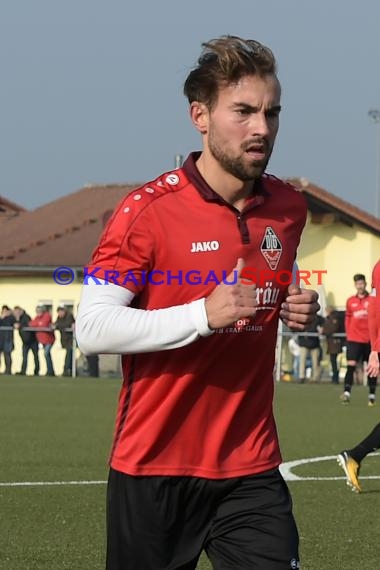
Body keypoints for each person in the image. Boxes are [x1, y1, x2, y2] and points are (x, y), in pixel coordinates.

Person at [76, 35, 320, 570]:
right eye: (244, 111)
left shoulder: (288, 208)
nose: (262, 128)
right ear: (200, 116)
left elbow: (275, 287)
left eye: (272, 112)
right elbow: (91, 328)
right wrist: (201, 316)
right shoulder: (145, 211)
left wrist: (299, 308)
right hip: (154, 468)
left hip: (251, 466)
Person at [338, 259, 380, 491]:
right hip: (368, 343)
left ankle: (354, 455)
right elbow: (376, 310)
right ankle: (354, 455)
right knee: (352, 368)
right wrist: (375, 349)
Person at [340, 273, 377, 406]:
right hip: (354, 340)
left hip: (369, 341)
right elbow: (347, 318)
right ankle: (346, 393)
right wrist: (349, 334)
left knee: (371, 368)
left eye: (361, 283)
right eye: (357, 284)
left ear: (365, 284)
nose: (360, 286)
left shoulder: (372, 300)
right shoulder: (350, 301)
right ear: (355, 285)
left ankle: (372, 395)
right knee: (351, 366)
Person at [13, 306, 40, 376]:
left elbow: (28, 324)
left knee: (35, 356)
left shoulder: (26, 316)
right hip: (25, 341)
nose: (16, 313)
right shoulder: (17, 318)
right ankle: (23, 371)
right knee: (24, 357)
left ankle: (36, 371)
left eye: (17, 311)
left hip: (32, 340)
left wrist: (20, 324)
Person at [29, 305, 56, 376]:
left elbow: (44, 324)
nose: (38, 312)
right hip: (42, 340)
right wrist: (38, 324)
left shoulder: (47, 315)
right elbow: (31, 324)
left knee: (46, 354)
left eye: (39, 310)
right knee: (47, 355)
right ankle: (51, 371)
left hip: (49, 340)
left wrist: (38, 324)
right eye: (37, 311)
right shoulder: (37, 318)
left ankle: (50, 371)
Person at [297, 315, 324, 383]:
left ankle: (315, 378)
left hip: (314, 343)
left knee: (315, 362)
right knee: (302, 361)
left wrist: (322, 328)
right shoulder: (301, 317)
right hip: (304, 342)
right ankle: (302, 377)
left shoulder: (318, 318)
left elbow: (324, 323)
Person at [321, 305, 343, 384]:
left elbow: (333, 329)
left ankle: (335, 378)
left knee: (334, 362)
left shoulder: (334, 318)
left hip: (335, 344)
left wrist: (323, 332)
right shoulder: (329, 318)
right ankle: (334, 378)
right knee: (333, 362)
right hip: (331, 344)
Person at [54, 305, 75, 376]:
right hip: (64, 339)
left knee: (69, 354)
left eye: (61, 311)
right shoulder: (59, 318)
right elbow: (56, 323)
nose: (60, 313)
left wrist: (57, 326)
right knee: (70, 355)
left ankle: (67, 370)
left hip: (71, 339)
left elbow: (67, 324)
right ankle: (71, 371)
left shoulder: (69, 316)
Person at [0, 305, 16, 374]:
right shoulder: (1, 318)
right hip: (1, 339)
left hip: (7, 339)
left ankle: (8, 370)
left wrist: (9, 315)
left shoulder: (11, 318)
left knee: (7, 355)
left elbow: (13, 323)